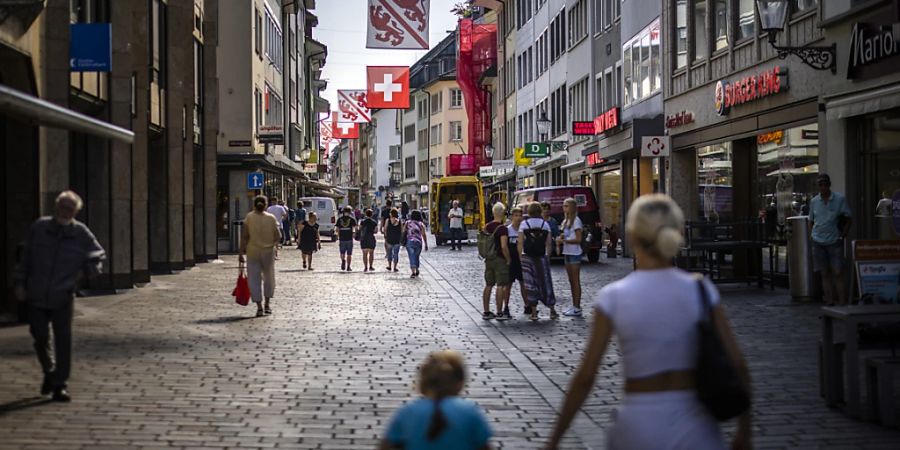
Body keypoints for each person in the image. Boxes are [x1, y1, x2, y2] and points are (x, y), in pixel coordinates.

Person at [546, 194, 752, 450]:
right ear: (676, 233)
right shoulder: (700, 290)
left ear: (631, 237)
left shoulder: (614, 297)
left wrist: (554, 439)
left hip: (639, 423)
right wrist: (744, 431)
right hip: (696, 424)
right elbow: (738, 364)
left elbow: (586, 377)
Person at [13, 190, 105, 402]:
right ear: (56, 208)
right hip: (36, 292)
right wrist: (19, 283)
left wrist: (89, 271)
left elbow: (97, 254)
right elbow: (24, 258)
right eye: (63, 207)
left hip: (63, 295)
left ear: (76, 211)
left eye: (70, 209)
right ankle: (49, 370)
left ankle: (59, 384)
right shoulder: (39, 228)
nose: (65, 212)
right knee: (40, 336)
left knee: (63, 340)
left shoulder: (80, 232)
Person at [379, 351, 492, 450]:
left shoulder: (408, 411)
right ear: (460, 383)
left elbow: (386, 444)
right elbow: (483, 445)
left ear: (423, 382)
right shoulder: (470, 411)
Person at [809, 173, 852, 306]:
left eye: (825, 184)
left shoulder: (839, 199)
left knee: (838, 271)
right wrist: (811, 234)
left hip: (834, 241)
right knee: (824, 272)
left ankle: (842, 302)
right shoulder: (814, 201)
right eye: (820, 185)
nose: (823, 187)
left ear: (829, 185)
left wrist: (843, 235)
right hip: (818, 241)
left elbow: (849, 218)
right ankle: (829, 301)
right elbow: (811, 219)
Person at [519, 202, 557, 321]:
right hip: (541, 256)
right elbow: (549, 243)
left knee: (530, 284)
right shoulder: (545, 224)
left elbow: (520, 242)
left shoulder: (524, 224)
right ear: (540, 211)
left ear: (529, 212)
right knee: (545, 283)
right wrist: (548, 256)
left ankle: (534, 312)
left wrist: (520, 255)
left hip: (527, 257)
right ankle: (552, 309)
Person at [481, 203, 511, 320]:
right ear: (503, 213)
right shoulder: (502, 228)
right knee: (500, 285)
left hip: (489, 258)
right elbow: (504, 246)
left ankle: (486, 311)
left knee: (488, 284)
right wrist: (508, 259)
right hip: (499, 258)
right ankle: (499, 312)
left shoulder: (486, 227)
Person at [557, 198, 584, 317]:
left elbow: (579, 239)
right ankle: (574, 305)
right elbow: (564, 235)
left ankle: (577, 307)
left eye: (566, 206)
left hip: (574, 253)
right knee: (571, 281)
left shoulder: (576, 221)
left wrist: (565, 241)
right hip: (567, 252)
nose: (564, 208)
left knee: (575, 280)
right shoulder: (566, 221)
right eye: (563, 205)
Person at [506, 206, 526, 319]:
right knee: (508, 285)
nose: (518, 218)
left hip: (521, 260)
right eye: (516, 215)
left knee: (524, 283)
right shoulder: (508, 230)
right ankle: (506, 306)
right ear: (512, 217)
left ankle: (527, 305)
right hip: (511, 260)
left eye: (520, 216)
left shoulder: (523, 230)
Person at [403, 210, 428, 278]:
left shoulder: (407, 223)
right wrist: (426, 244)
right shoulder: (421, 224)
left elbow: (403, 231)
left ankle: (413, 271)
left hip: (410, 241)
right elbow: (423, 234)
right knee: (416, 256)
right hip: (418, 242)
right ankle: (416, 269)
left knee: (411, 256)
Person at [336, 206, 358, 271]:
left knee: (342, 252)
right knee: (349, 253)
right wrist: (354, 234)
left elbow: (337, 229)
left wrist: (338, 235)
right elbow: (355, 228)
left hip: (342, 238)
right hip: (349, 238)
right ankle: (348, 266)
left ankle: (343, 260)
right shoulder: (352, 219)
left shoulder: (339, 219)